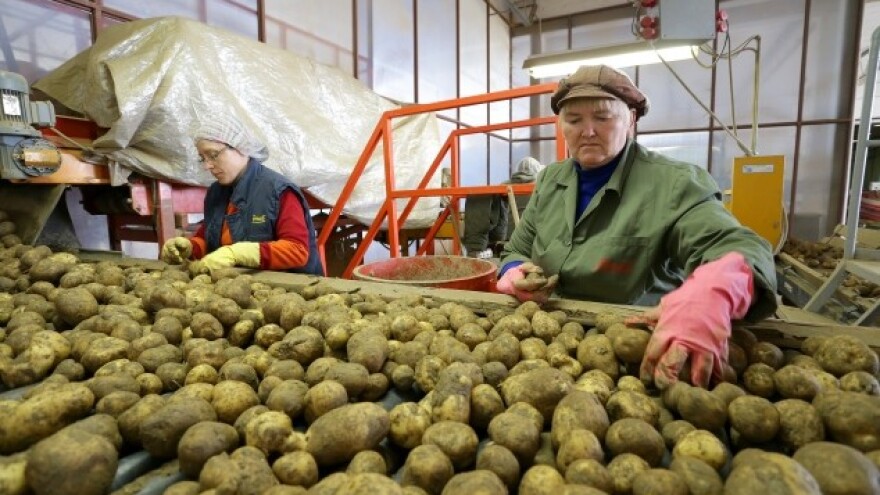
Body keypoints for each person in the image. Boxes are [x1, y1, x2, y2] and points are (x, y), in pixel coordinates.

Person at [496, 65, 777, 390]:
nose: (587, 131)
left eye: (602, 118)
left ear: (630, 119)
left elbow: (738, 246)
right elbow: (517, 247)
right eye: (574, 120)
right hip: (552, 340)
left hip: (641, 346)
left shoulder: (674, 183)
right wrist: (515, 270)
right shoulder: (549, 180)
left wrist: (716, 288)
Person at [160, 114, 324, 276]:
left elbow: (297, 251)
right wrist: (188, 248)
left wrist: (238, 253)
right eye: (202, 158)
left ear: (241, 148)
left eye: (214, 155)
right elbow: (209, 239)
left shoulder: (278, 191)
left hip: (291, 291)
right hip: (238, 286)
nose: (207, 165)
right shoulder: (216, 192)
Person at [462, 157, 542, 258]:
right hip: (532, 237)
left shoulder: (504, 186)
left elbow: (499, 212)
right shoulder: (540, 185)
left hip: (509, 237)